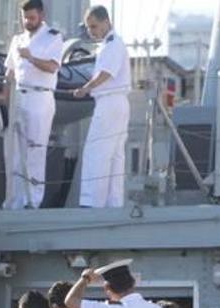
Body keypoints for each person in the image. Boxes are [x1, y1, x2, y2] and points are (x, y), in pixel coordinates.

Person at [0, 0, 64, 210]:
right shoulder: (17, 39)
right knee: (15, 152)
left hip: (39, 98)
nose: (27, 22)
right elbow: (10, 71)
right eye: (25, 18)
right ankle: (15, 199)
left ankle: (32, 200)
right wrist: (4, 95)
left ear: (41, 16)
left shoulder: (53, 37)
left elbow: (53, 66)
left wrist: (31, 57)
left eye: (32, 18)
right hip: (18, 97)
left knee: (35, 151)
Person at [73, 6, 132, 208]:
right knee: (115, 156)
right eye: (89, 28)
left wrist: (85, 89)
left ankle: (92, 203)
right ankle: (113, 203)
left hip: (109, 103)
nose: (91, 32)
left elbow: (106, 73)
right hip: (117, 103)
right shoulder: (110, 44)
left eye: (94, 26)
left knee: (96, 151)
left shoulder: (113, 44)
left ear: (106, 21)